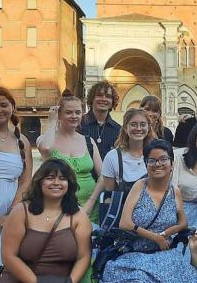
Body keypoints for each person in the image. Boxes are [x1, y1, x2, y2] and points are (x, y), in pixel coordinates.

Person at [100, 139, 197, 283]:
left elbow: (183, 223)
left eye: (163, 159)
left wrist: (168, 232)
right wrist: (156, 238)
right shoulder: (139, 186)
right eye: (152, 160)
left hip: (165, 256)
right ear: (146, 164)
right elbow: (125, 223)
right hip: (135, 255)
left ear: (171, 163)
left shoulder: (175, 191)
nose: (158, 164)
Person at [0, 158, 92, 283]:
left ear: (69, 183)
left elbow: (84, 257)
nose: (56, 182)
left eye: (62, 178)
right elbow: (8, 256)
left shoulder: (79, 216)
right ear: (39, 181)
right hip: (19, 282)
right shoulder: (21, 212)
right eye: (50, 178)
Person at [0, 87, 33, 283]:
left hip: (6, 219)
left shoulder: (23, 141)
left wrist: (12, 214)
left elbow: (25, 181)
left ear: (13, 107)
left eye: (3, 105)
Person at [38, 91, 102, 223]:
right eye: (68, 112)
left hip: (89, 207)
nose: (74, 116)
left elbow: (102, 176)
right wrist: (51, 121)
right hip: (58, 205)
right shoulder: (47, 140)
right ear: (59, 114)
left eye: (78, 112)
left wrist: (90, 204)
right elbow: (44, 148)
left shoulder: (88, 141)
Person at [101, 108, 156, 196]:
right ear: (126, 128)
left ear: (148, 128)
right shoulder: (112, 157)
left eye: (143, 124)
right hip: (123, 209)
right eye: (133, 124)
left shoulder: (155, 154)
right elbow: (110, 195)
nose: (138, 128)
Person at [79, 80, 121, 158]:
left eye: (108, 96)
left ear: (112, 101)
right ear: (92, 99)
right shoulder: (79, 125)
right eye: (99, 95)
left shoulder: (118, 130)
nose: (103, 99)